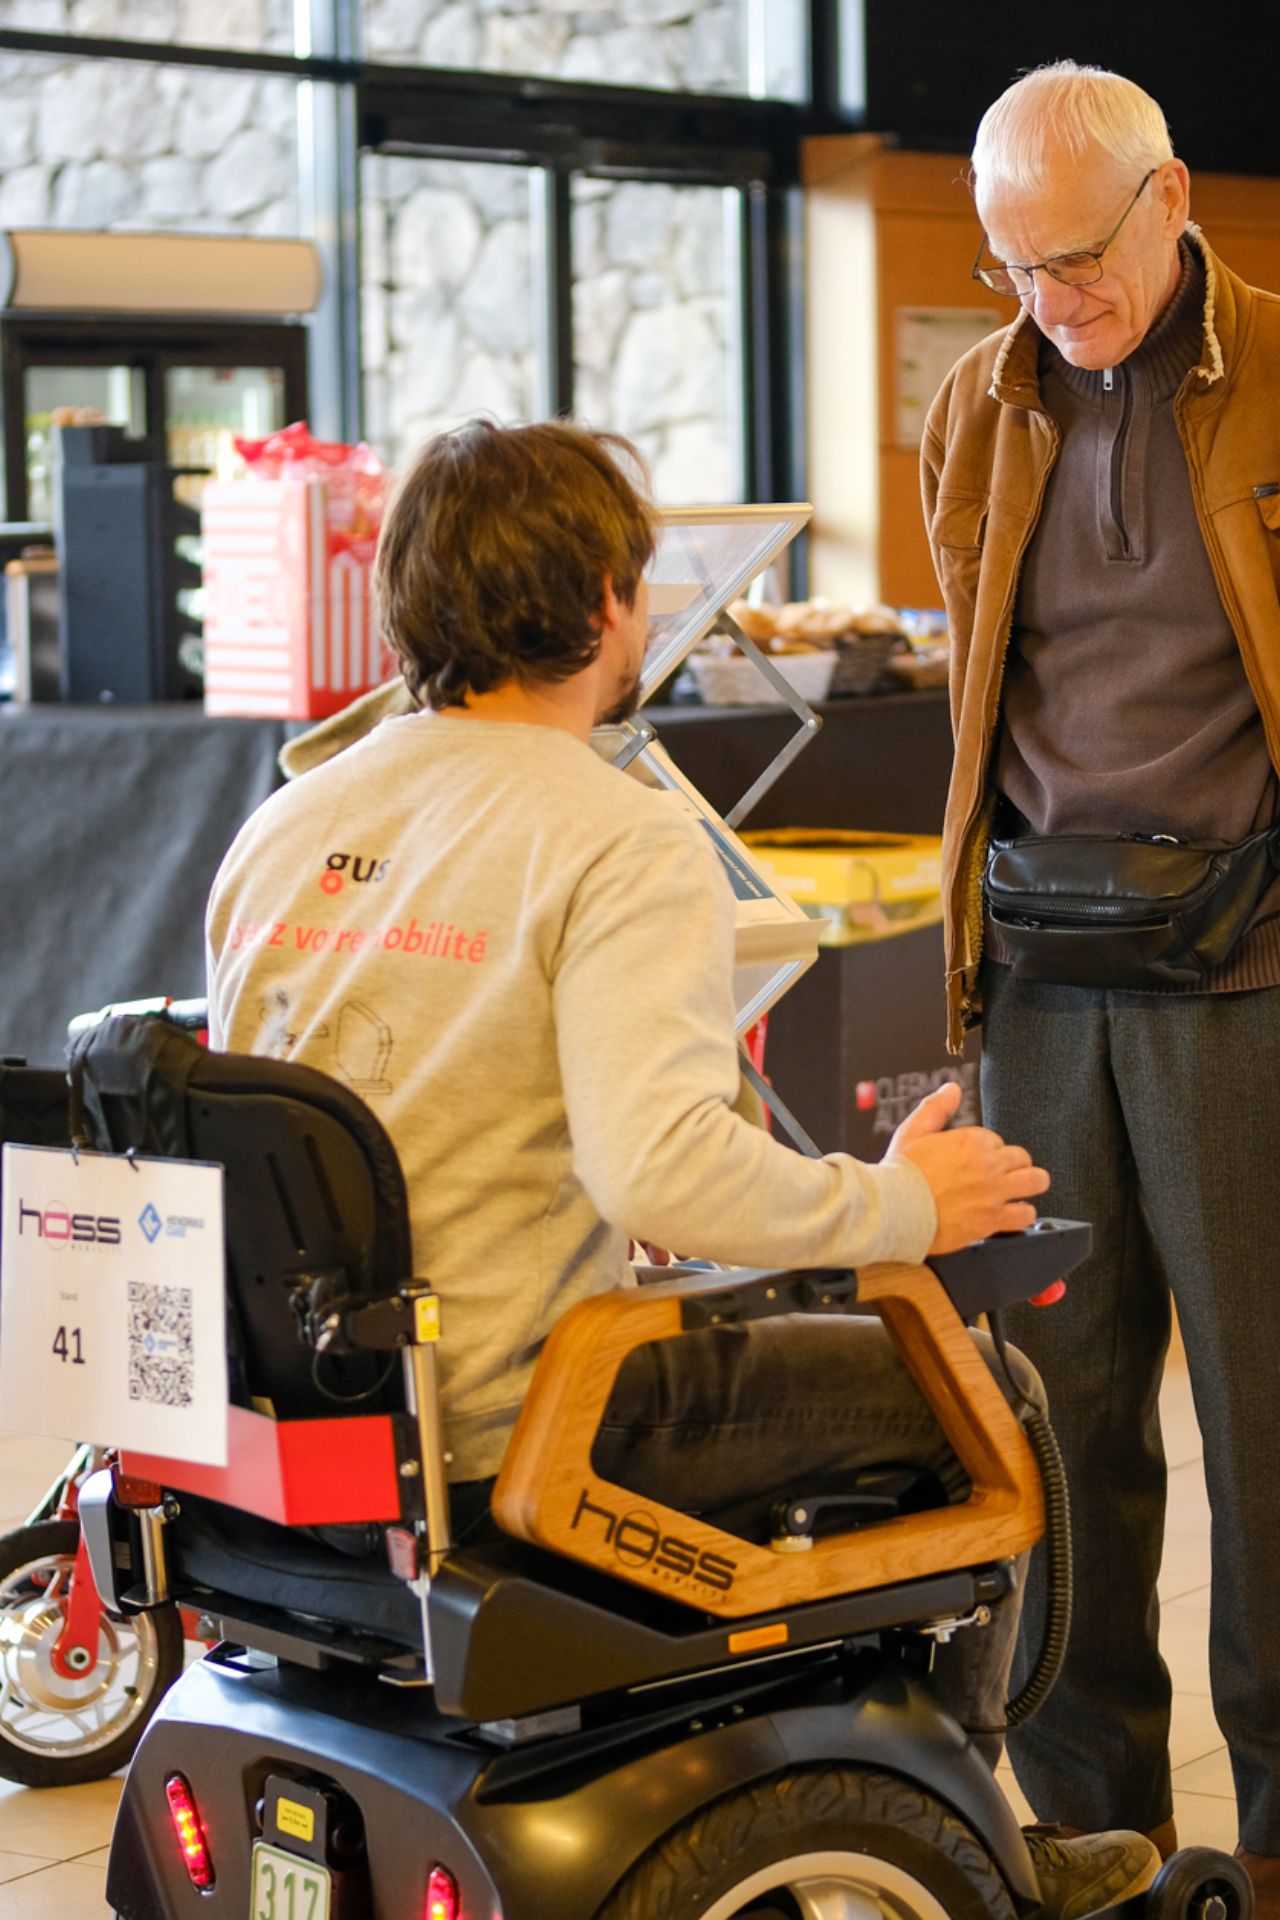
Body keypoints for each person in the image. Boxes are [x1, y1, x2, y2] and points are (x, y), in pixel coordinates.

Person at [208, 416, 1156, 1916]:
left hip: (302, 1437)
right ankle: (972, 1819)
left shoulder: (284, 822)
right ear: (604, 601)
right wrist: (904, 1208)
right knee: (996, 1396)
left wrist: (818, 1199)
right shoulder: (615, 833)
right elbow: (657, 1173)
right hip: (528, 1419)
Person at [922, 58, 1280, 1916]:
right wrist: (961, 991)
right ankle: (1092, 1831)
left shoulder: (1279, 367)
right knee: (1058, 1421)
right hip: (1044, 979)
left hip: (1254, 974)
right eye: (1016, 271)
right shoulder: (983, 402)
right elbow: (986, 702)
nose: (1054, 308)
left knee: (1268, 1414)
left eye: (1077, 262)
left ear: (1176, 199)